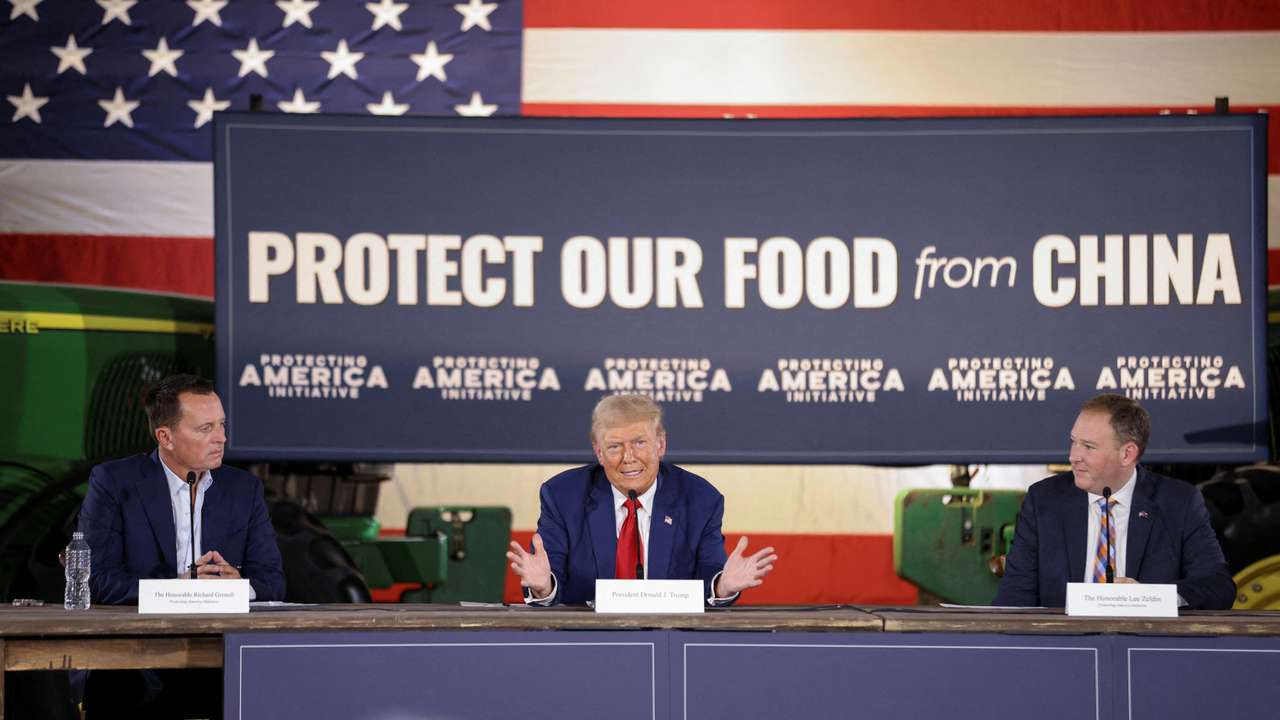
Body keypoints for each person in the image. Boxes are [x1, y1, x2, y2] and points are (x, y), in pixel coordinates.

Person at [76, 374, 285, 718]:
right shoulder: (114, 482)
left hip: (220, 659)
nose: (221, 438)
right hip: (134, 661)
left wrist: (237, 587)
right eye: (205, 429)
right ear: (165, 437)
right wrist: (177, 589)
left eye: (221, 425)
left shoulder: (243, 489)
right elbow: (95, 580)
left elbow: (273, 581)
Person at [508, 394, 776, 605]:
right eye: (614, 446)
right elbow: (550, 576)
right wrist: (544, 586)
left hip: (668, 641)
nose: (628, 457)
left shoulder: (700, 499)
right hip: (586, 640)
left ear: (660, 445)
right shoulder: (563, 496)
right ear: (599, 453)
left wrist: (722, 586)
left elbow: (709, 574)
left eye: (639, 443)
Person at [994, 394, 1235, 609]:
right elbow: (1013, 599)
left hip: (1145, 649)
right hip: (1064, 650)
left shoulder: (1178, 502)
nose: (1073, 456)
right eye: (1073, 442)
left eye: (1088, 447)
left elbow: (1218, 586)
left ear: (1127, 454)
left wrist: (1150, 598)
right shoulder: (1044, 500)